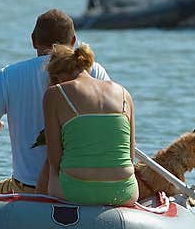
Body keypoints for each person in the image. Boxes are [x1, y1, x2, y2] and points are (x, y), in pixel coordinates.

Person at [0, 9, 110, 195]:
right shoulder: (94, 71)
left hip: (30, 189)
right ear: (73, 41)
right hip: (84, 187)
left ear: (33, 40)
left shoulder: (9, 75)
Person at [41, 43, 138, 206]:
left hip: (75, 192)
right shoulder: (124, 93)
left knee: (50, 170)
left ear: (57, 76)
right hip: (124, 191)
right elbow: (130, 155)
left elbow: (55, 159)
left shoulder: (55, 93)